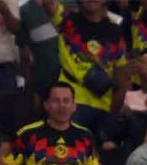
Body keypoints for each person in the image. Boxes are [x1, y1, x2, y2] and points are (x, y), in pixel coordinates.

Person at [45, 0, 129, 131]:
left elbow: (121, 80)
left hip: (103, 105)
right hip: (72, 103)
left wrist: (112, 115)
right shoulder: (67, 20)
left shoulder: (116, 32)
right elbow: (49, 4)